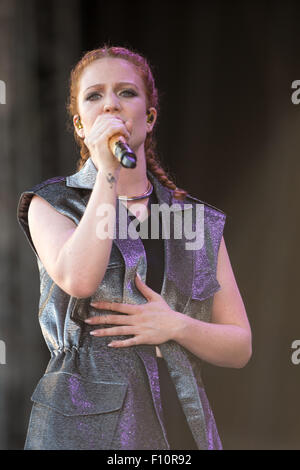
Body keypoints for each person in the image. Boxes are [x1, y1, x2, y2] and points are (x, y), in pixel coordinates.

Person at [17, 45, 252, 450]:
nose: (110, 104)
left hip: (178, 418)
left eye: (126, 92)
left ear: (150, 116)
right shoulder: (50, 203)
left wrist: (176, 325)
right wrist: (107, 172)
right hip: (84, 423)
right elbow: (80, 278)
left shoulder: (193, 219)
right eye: (94, 96)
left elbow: (239, 345)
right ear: (80, 125)